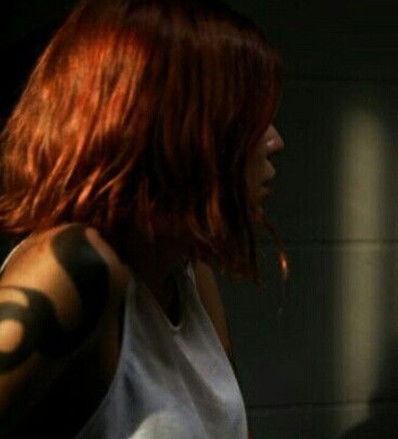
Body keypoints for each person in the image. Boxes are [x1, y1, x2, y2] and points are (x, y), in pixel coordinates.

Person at [0, 0, 283, 437]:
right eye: (250, 119)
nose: (275, 141)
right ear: (178, 127)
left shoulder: (184, 267)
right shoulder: (76, 266)